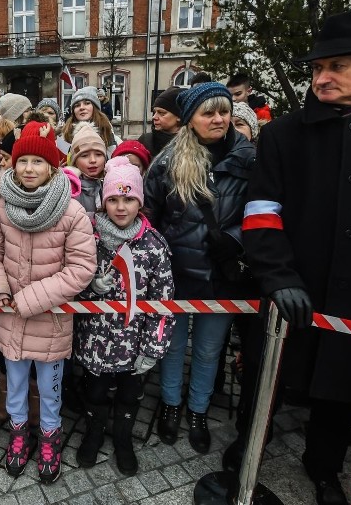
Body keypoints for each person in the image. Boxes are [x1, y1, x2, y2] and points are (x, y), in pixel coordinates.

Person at [228, 10, 351, 505]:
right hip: (291, 289)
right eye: (318, 67)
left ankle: (325, 467)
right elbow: (260, 209)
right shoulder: (284, 134)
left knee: (343, 389)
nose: (322, 77)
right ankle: (248, 447)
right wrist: (277, 276)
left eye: (338, 66)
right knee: (265, 377)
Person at [143, 82, 256, 454]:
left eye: (224, 111)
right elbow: (150, 218)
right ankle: (171, 404)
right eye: (209, 112)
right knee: (173, 347)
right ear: (191, 119)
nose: (219, 119)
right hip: (176, 276)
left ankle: (198, 410)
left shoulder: (248, 158)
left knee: (209, 350)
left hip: (224, 276)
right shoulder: (167, 163)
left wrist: (236, 240)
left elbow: (263, 210)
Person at [0, 120, 96, 483]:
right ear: (13, 164)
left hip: (50, 321)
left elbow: (81, 269)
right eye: (23, 161)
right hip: (10, 318)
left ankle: (50, 437)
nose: (29, 168)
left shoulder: (71, 211)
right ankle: (19, 435)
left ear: (53, 168)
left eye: (38, 162)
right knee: (14, 385)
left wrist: (29, 299)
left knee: (49, 389)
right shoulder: (3, 206)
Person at [75, 157, 175, 475]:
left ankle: (123, 439)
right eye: (113, 199)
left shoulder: (154, 247)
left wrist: (153, 349)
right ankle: (93, 433)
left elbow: (163, 304)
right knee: (94, 392)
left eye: (129, 198)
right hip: (95, 342)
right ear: (103, 202)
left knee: (130, 396)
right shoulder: (89, 241)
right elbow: (72, 289)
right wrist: (90, 286)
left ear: (140, 202)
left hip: (133, 345)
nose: (121, 207)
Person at [66, 122, 108, 218]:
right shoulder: (67, 187)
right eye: (84, 155)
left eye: (98, 154)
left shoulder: (112, 183)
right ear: (74, 161)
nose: (93, 160)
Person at [138, 87, 183, 158]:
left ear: (179, 117)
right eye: (154, 112)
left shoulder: (193, 143)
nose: (154, 117)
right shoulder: (146, 141)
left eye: (161, 113)